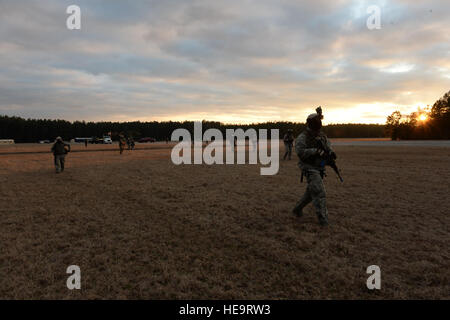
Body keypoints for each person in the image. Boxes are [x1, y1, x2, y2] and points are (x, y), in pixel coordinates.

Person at [292, 107, 336, 226]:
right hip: (308, 167)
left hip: (319, 166)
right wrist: (315, 151)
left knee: (311, 193)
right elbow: (300, 152)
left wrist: (330, 153)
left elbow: (328, 146)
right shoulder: (303, 137)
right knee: (319, 191)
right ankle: (323, 220)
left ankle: (297, 209)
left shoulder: (322, 136)